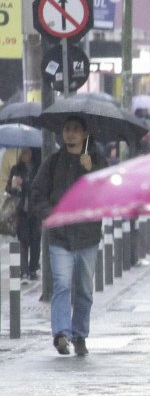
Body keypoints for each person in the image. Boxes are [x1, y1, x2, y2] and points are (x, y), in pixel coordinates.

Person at [31, 117, 109, 356]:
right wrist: (51, 215)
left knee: (84, 290)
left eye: (76, 130)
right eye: (67, 129)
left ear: (85, 134)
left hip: (87, 235)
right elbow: (37, 193)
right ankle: (61, 333)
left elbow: (107, 191)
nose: (70, 134)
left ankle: (80, 335)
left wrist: (91, 170)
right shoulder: (53, 162)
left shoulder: (97, 161)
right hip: (60, 236)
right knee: (62, 284)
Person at [6, 147, 40, 280]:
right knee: (23, 241)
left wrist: (24, 183)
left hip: (35, 211)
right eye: (23, 152)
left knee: (35, 241)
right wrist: (15, 187)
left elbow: (38, 188)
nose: (25, 155)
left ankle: (33, 268)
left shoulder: (38, 168)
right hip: (21, 211)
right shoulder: (16, 169)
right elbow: (9, 189)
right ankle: (24, 270)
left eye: (28, 152)